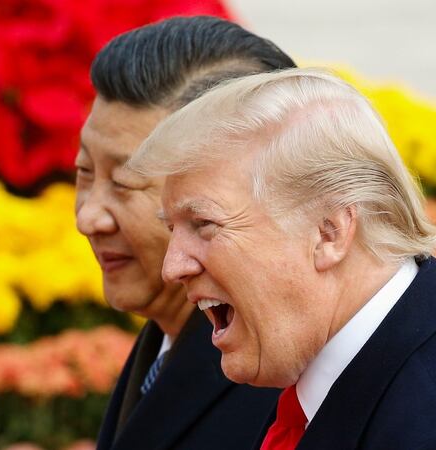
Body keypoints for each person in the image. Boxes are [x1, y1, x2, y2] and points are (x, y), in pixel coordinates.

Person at [127, 68, 436, 449]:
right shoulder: (350, 358)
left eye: (203, 225)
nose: (173, 267)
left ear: (330, 231)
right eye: (172, 229)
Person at [75, 16, 295, 450]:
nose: (88, 218)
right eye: (84, 172)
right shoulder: (170, 324)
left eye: (124, 183)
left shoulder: (275, 383)